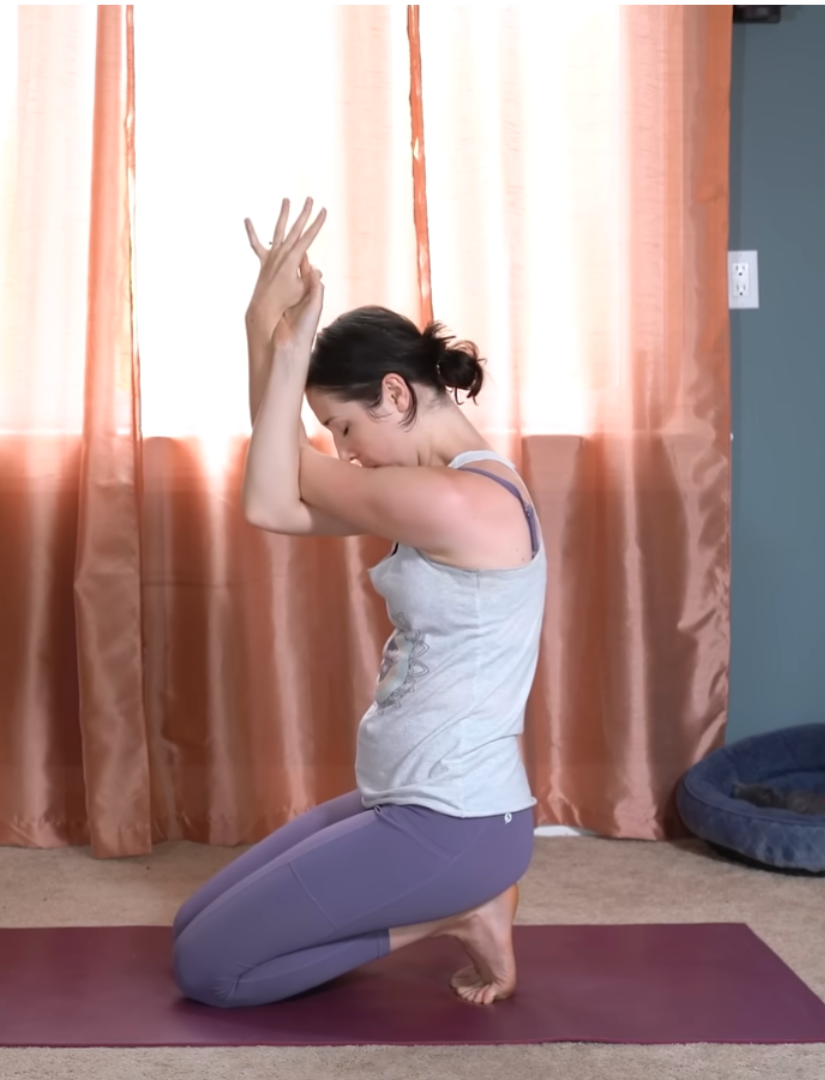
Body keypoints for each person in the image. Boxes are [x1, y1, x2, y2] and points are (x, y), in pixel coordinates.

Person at [169, 198, 546, 1009]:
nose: (341, 452)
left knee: (211, 971)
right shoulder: (428, 491)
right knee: (190, 926)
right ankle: (461, 901)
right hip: (407, 797)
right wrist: (261, 331)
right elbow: (277, 497)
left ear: (396, 395)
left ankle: (459, 911)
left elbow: (275, 486)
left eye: (342, 427)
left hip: (455, 823)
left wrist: (284, 342)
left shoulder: (454, 502)